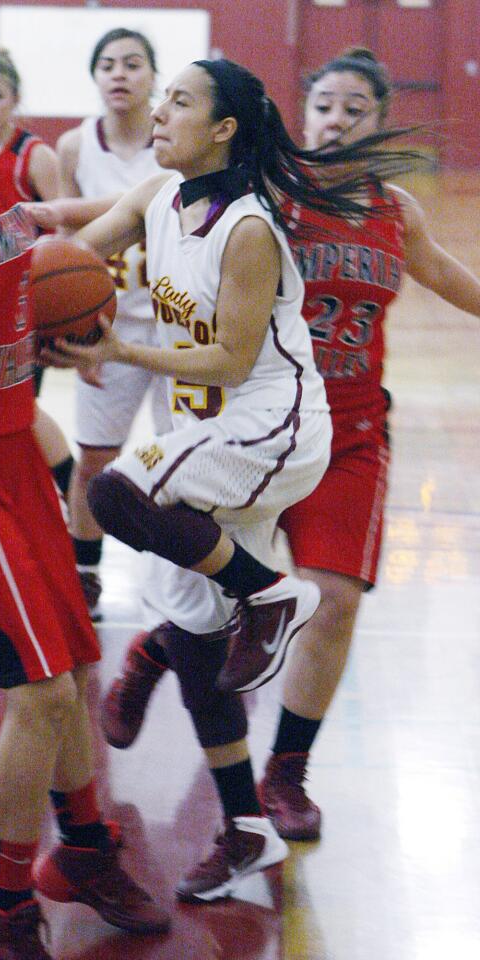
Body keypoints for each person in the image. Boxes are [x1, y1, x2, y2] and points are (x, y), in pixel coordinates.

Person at [39, 56, 424, 898]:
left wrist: (112, 349)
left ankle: (272, 594)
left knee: (112, 493)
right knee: (192, 637)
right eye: (162, 96)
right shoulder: (153, 197)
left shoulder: (249, 225)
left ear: (223, 129)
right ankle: (248, 829)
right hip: (204, 432)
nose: (161, 110)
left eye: (180, 99)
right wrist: (16, 254)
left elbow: (229, 355)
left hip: (272, 426)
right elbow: (70, 251)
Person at [98, 48, 480, 855]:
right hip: (246, 420)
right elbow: (150, 201)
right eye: (326, 107)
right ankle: (156, 651)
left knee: (333, 600)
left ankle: (288, 773)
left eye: (356, 110)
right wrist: (69, 227)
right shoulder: (260, 195)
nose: (338, 121)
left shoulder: (393, 209)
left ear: (378, 123)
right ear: (299, 118)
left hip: (350, 434)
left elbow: (447, 276)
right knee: (216, 596)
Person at [0, 9, 170, 960]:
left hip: (9, 440)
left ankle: (84, 847)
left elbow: (11, 286)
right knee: (42, 694)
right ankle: (6, 909)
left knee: (79, 663)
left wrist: (45, 339)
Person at [56, 28, 171, 619]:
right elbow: (68, 250)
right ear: (95, 77)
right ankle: (85, 574)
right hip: (106, 326)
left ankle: (184, 579)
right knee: (94, 460)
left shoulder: (176, 139)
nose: (120, 74)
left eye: (133, 63)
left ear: (155, 75)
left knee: (188, 458)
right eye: (108, 64)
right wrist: (78, 330)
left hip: (181, 329)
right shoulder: (76, 148)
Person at [0, 42, 75, 500]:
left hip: (25, 301)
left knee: (20, 407)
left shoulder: (33, 154)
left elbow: (62, 228)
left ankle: (70, 487)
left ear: (15, 99)